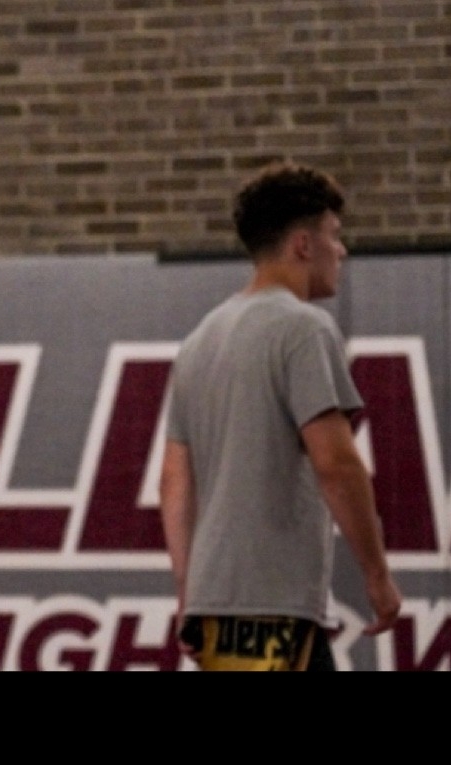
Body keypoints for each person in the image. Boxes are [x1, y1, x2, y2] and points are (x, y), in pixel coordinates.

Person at [159, 162, 402, 672]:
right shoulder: (303, 328)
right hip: (274, 610)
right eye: (334, 235)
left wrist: (190, 593)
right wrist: (377, 576)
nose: (342, 250)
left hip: (214, 612)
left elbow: (176, 482)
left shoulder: (199, 339)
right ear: (303, 245)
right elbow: (337, 465)